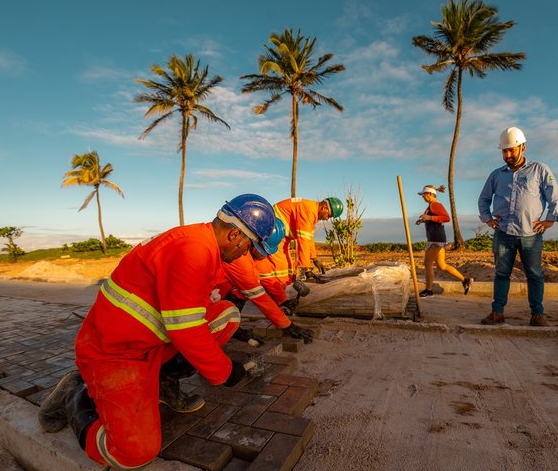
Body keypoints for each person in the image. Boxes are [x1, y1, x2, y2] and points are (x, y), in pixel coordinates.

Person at [37, 194, 276, 469]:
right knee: (134, 453)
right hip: (115, 353)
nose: (245, 254)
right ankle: (75, 394)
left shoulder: (200, 243)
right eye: (248, 247)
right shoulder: (195, 251)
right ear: (235, 234)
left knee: (226, 315)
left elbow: (191, 315)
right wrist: (226, 372)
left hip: (145, 343)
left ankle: (160, 380)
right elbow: (186, 331)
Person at [477, 127, 558, 327]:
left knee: (534, 274)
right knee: (501, 273)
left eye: (511, 150)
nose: (507, 155)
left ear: (522, 148)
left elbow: (555, 195)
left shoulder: (539, 170)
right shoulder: (496, 175)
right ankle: (497, 313)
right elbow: (483, 199)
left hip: (531, 235)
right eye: (504, 151)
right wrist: (488, 219)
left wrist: (550, 219)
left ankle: (537, 315)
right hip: (503, 233)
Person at [219, 218, 315, 343]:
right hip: (212, 298)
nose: (265, 255)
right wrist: (288, 326)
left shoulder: (256, 255)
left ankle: (229, 324)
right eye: (263, 250)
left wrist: (283, 301)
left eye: (268, 252)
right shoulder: (239, 258)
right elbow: (259, 297)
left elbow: (269, 280)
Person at [415, 185, 472, 297]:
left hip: (436, 239)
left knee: (427, 264)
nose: (422, 197)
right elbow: (433, 219)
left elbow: (446, 218)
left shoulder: (435, 205)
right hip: (437, 238)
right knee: (442, 265)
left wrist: (429, 218)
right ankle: (465, 280)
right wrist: (423, 220)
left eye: (424, 194)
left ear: (430, 194)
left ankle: (429, 290)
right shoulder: (431, 206)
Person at [271, 196, 343, 283]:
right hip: (274, 232)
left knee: (288, 267)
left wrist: (314, 258)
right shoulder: (309, 211)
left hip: (279, 233)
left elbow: (309, 239)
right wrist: (305, 269)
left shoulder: (312, 210)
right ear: (324, 208)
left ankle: (285, 286)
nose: (327, 219)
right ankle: (281, 290)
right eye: (329, 216)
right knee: (281, 267)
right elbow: (303, 242)